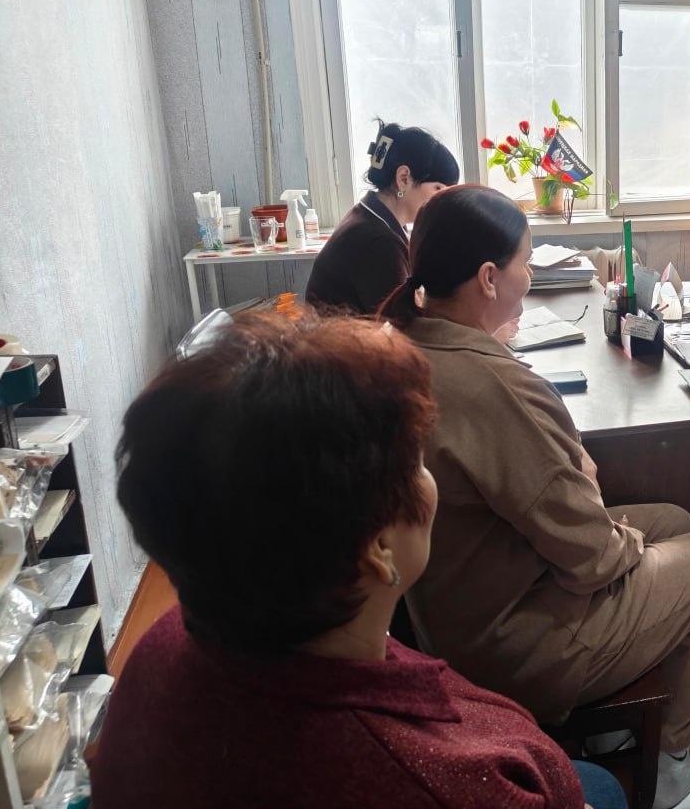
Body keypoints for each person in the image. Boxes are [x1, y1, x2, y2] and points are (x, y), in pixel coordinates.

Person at [90, 310, 625, 809]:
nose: (430, 480)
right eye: (417, 463)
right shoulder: (446, 783)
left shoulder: (165, 644)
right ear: (378, 547)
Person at [381, 185, 690, 809]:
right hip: (512, 642)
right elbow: (593, 555)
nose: (529, 275)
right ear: (488, 278)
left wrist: (606, 514)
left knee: (676, 519)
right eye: (525, 262)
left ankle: (612, 731)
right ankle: (671, 771)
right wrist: (616, 528)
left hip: (453, 608)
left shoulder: (404, 343)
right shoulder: (495, 385)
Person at [306, 120, 459, 315]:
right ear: (403, 178)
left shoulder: (372, 215)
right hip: (341, 335)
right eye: (438, 189)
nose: (442, 201)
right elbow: (403, 322)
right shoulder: (379, 241)